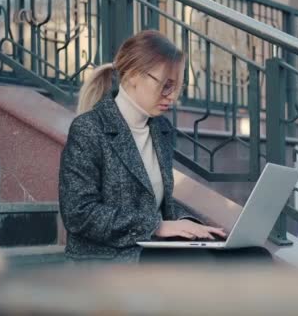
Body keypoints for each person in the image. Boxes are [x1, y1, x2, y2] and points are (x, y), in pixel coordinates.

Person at [58, 30, 270, 264]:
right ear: (132, 76)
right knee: (203, 265)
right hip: (105, 254)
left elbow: (159, 203)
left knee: (254, 257)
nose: (172, 97)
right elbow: (79, 214)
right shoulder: (89, 128)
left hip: (149, 246)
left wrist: (192, 226)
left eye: (177, 88)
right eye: (166, 85)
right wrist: (156, 226)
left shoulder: (160, 128)